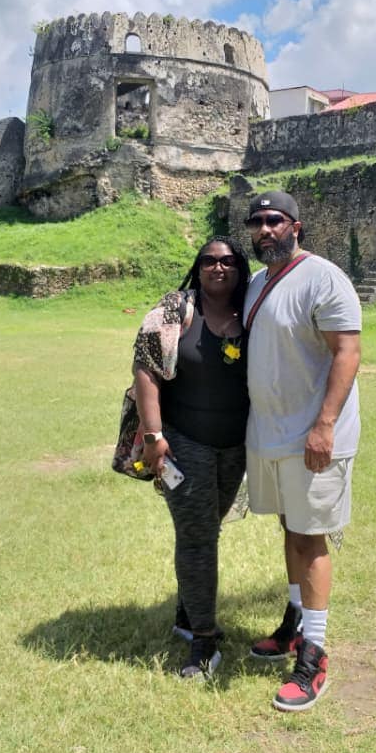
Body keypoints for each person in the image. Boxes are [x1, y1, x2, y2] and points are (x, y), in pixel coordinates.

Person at [242, 191, 361, 712]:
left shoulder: (323, 277)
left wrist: (325, 425)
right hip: (271, 433)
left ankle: (314, 656)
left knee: (311, 538)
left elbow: (348, 351)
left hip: (314, 434)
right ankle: (294, 625)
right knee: (291, 527)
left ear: (296, 226)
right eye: (256, 222)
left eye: (274, 220)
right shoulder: (254, 284)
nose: (264, 229)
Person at [133, 236, 250, 679]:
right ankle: (203, 641)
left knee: (207, 528)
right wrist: (153, 435)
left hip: (235, 446)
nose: (217, 268)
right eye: (208, 261)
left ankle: (186, 613)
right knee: (199, 537)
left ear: (239, 268)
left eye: (227, 261)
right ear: (197, 268)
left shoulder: (250, 313)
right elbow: (145, 367)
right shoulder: (176, 308)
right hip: (184, 443)